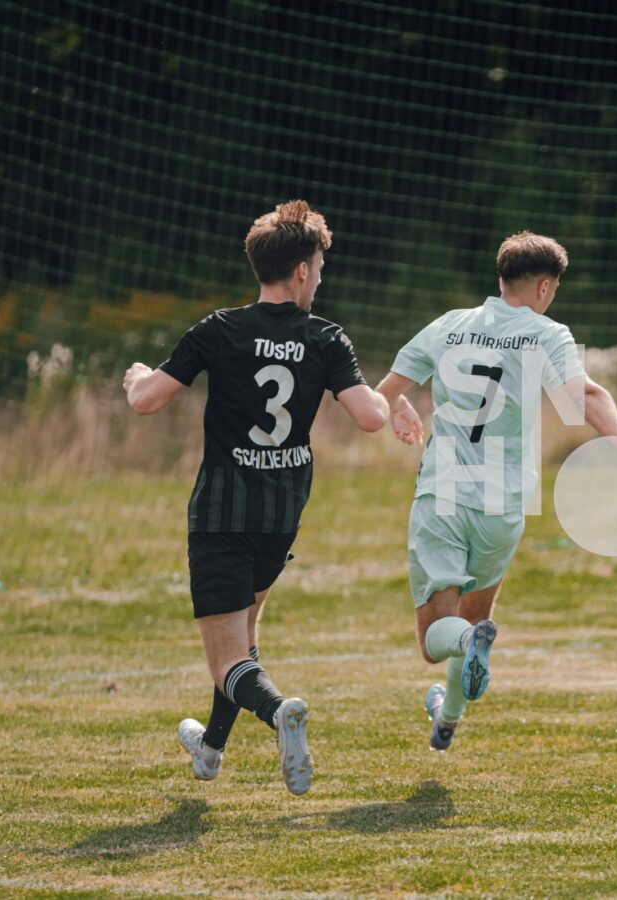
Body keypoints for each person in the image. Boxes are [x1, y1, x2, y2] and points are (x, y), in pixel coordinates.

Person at [122, 199, 394, 794]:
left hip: (222, 514)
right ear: (300, 270)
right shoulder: (326, 337)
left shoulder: (220, 329)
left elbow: (146, 401)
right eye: (319, 269)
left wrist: (136, 375)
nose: (319, 279)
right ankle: (210, 749)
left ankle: (279, 712)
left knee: (227, 659)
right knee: (241, 641)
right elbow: (370, 417)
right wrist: (389, 402)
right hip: (281, 515)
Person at [373, 231, 617, 751]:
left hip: (443, 493)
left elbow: (382, 394)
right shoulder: (547, 334)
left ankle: (465, 648)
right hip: (502, 504)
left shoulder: (449, 324)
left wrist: (398, 408)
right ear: (544, 287)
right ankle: (447, 719)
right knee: (475, 615)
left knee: (436, 640)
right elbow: (584, 396)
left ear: (502, 278)